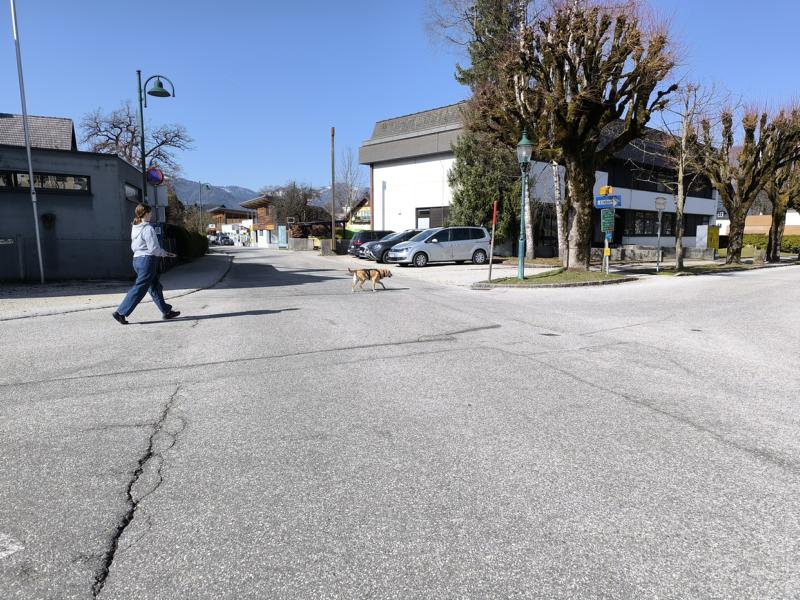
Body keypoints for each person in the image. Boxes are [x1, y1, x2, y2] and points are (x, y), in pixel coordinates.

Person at [112, 204, 180, 324]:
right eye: (150, 212)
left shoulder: (135, 227)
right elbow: (153, 249)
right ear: (146, 213)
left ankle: (166, 311)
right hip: (147, 261)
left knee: (155, 287)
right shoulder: (148, 228)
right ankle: (121, 312)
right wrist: (165, 253)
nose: (151, 214)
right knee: (140, 288)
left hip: (137, 260)